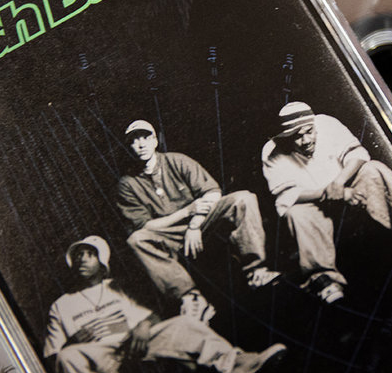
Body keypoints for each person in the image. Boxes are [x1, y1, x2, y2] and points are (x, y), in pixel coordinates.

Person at [261, 102, 392, 305]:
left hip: (352, 190)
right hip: (316, 205)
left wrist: (339, 184)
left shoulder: (327, 124)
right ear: (286, 137)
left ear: (314, 125)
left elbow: (357, 156)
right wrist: (327, 193)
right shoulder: (271, 151)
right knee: (296, 213)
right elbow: (287, 196)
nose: (306, 140)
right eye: (297, 136)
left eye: (309, 132)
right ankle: (323, 279)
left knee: (373, 168)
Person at [43, 235, 286, 373]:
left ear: (101, 261)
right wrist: (71, 342)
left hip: (134, 344)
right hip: (98, 354)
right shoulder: (60, 305)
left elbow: (154, 320)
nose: (82, 259)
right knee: (67, 357)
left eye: (89, 254)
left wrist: (144, 326)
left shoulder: (117, 287)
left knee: (184, 323)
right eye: (78, 255)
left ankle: (236, 366)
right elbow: (52, 357)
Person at [116, 120, 280, 312]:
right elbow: (144, 226)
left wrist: (194, 224)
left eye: (145, 137)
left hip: (203, 222)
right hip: (169, 234)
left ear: (155, 141)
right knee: (136, 239)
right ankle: (191, 298)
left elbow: (212, 192)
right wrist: (186, 212)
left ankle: (256, 271)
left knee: (244, 198)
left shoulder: (177, 160)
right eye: (134, 140)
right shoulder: (127, 184)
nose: (141, 144)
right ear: (129, 147)